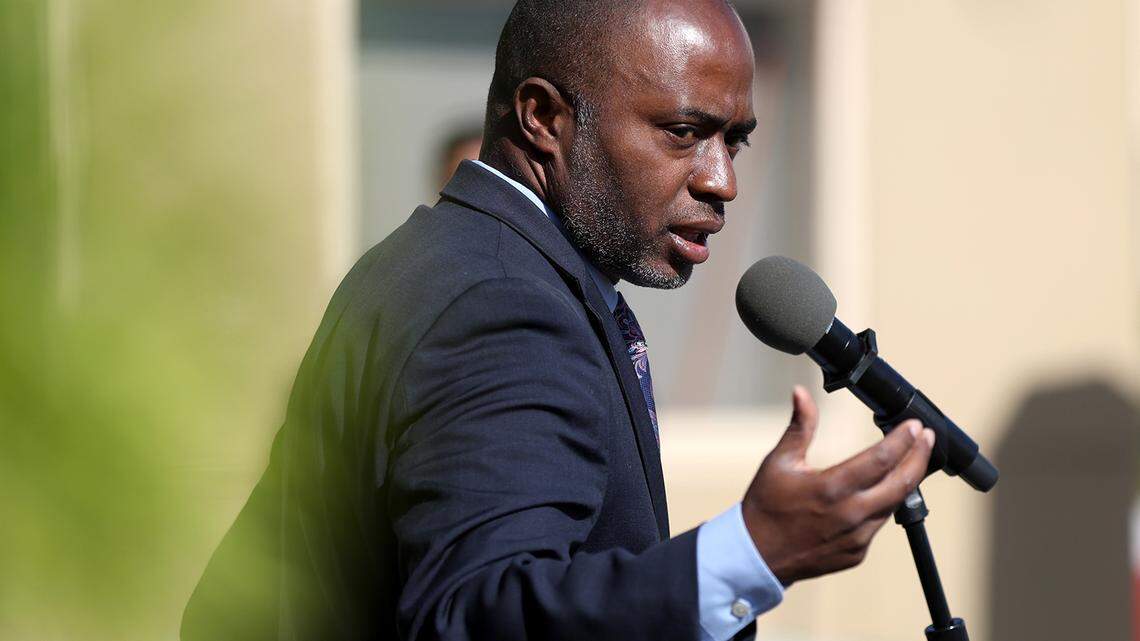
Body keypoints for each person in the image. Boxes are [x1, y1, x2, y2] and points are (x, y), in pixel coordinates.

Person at [182, 1, 936, 640]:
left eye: (733, 141)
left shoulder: (448, 257)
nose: (722, 180)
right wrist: (748, 553)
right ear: (543, 116)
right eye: (683, 131)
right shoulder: (503, 304)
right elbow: (479, 611)